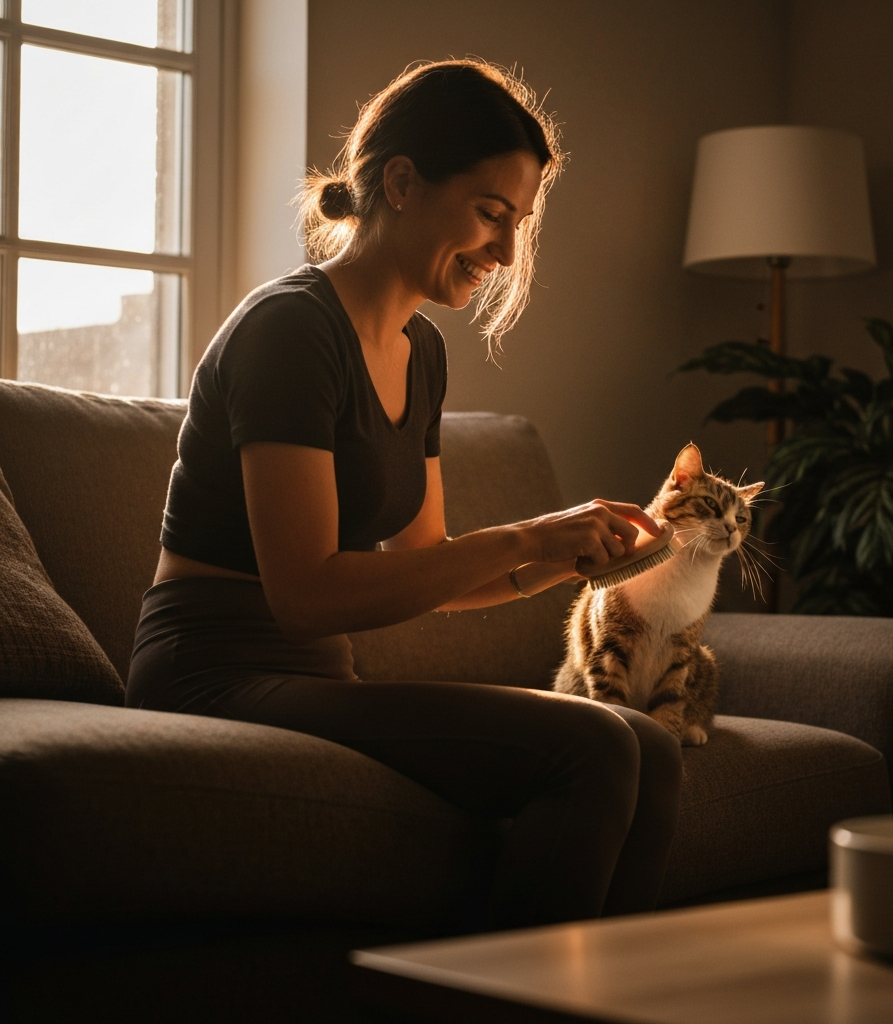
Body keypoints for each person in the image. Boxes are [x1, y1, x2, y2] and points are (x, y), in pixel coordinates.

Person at [126, 59, 682, 931]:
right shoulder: (290, 331)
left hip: (311, 675)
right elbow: (306, 596)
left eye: (518, 224)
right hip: (213, 672)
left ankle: (605, 995)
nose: (504, 253)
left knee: (650, 743)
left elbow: (427, 568)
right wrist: (530, 536)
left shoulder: (421, 351)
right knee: (596, 747)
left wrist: (572, 557)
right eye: (491, 214)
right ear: (400, 182)